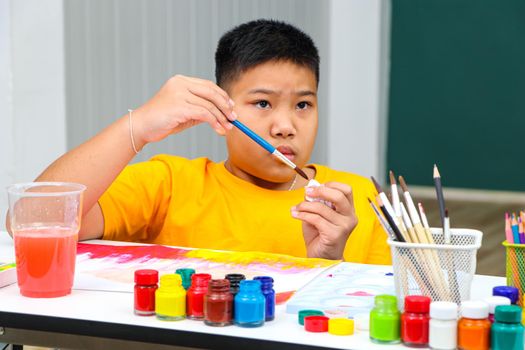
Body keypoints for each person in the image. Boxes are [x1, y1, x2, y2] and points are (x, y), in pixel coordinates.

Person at [10, 19, 390, 264]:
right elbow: (29, 220)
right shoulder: (172, 185)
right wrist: (139, 125)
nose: (286, 126)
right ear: (223, 109)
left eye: (303, 104)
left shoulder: (354, 201)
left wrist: (330, 263)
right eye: (262, 103)